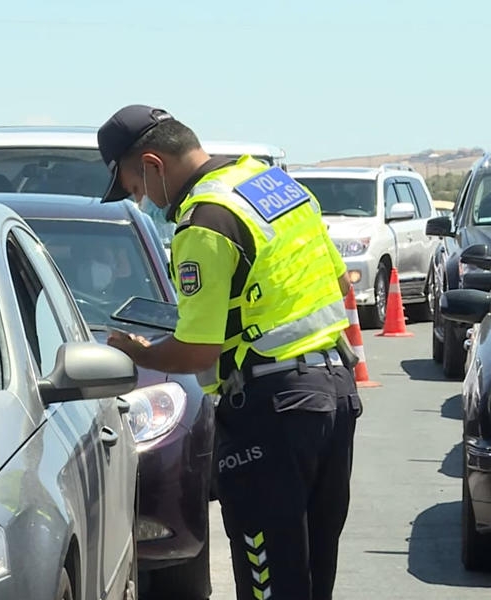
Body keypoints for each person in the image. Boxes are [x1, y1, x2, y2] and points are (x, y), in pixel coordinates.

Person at [96, 104, 362, 600]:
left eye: (135, 187)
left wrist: (140, 353)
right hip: (334, 394)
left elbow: (197, 352)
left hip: (272, 413)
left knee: (269, 584)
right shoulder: (272, 186)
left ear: (153, 164)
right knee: (310, 576)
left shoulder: (203, 221)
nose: (143, 200)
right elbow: (337, 282)